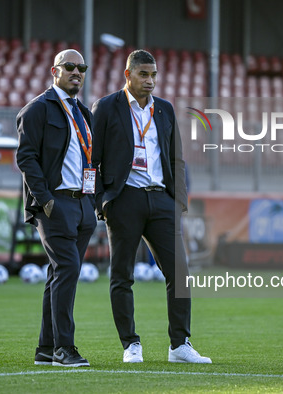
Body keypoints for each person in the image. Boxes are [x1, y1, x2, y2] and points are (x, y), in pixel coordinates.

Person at [91, 49, 211, 364]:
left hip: (161, 200)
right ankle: (131, 344)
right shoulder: (106, 108)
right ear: (128, 75)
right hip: (125, 198)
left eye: (154, 75)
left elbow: (178, 159)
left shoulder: (166, 110)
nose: (150, 81)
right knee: (122, 275)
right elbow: (93, 161)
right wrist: (101, 201)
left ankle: (180, 345)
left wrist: (179, 203)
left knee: (180, 274)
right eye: (144, 74)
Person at [16, 49, 97, 367]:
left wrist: (92, 200)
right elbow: (26, 158)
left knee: (60, 274)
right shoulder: (37, 109)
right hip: (55, 203)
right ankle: (65, 347)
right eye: (70, 67)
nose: (77, 72)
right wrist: (46, 200)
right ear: (54, 71)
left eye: (82, 68)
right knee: (66, 270)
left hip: (82, 202)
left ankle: (46, 349)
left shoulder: (83, 113)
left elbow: (89, 159)